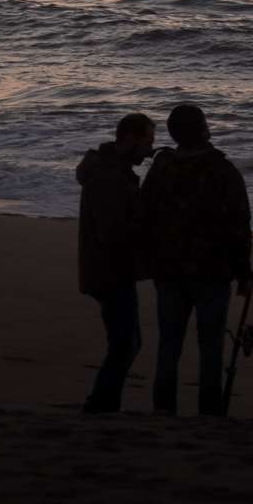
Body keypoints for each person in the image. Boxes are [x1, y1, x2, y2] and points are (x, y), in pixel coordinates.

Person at [139, 102, 251, 417]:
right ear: (203, 129)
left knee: (169, 345)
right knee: (211, 347)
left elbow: (144, 215)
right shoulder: (222, 170)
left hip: (169, 270)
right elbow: (239, 225)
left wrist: (150, 260)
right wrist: (244, 272)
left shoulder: (161, 167)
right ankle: (210, 412)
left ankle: (163, 409)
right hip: (212, 272)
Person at [75, 111, 156, 414]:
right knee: (125, 344)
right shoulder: (110, 176)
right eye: (147, 142)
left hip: (107, 269)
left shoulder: (111, 169)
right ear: (130, 139)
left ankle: (104, 402)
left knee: (127, 342)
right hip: (111, 271)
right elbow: (114, 232)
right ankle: (100, 404)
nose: (149, 150)